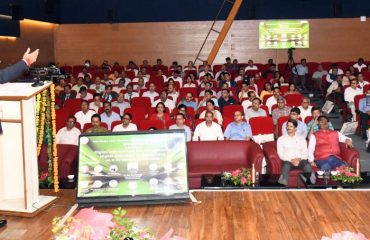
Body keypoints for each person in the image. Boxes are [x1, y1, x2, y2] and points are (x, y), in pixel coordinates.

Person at [277, 119, 313, 186]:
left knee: (307, 166)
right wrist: (291, 160)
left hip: (300, 160)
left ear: (295, 129)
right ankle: (283, 187)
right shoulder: (281, 139)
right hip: (288, 161)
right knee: (286, 166)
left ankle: (309, 186)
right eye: (287, 126)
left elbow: (305, 153)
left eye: (291, 126)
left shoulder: (301, 139)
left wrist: (298, 159)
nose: (288, 128)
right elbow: (281, 154)